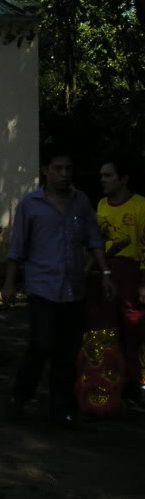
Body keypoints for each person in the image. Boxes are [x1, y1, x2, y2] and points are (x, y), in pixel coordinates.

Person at [2, 150, 115, 426]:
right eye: (58, 168)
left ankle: (62, 406)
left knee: (68, 349)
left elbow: (93, 240)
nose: (64, 174)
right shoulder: (30, 204)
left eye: (68, 169)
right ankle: (21, 394)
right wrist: (8, 283)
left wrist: (106, 273)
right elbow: (17, 247)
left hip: (73, 287)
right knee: (42, 342)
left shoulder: (81, 202)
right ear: (46, 171)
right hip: (42, 286)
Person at [96, 159, 145, 407]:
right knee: (106, 329)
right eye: (101, 176)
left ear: (123, 178)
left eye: (108, 175)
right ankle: (108, 386)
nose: (103, 180)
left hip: (132, 272)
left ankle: (136, 387)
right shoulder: (101, 205)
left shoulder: (140, 205)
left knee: (133, 331)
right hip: (106, 271)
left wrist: (143, 282)